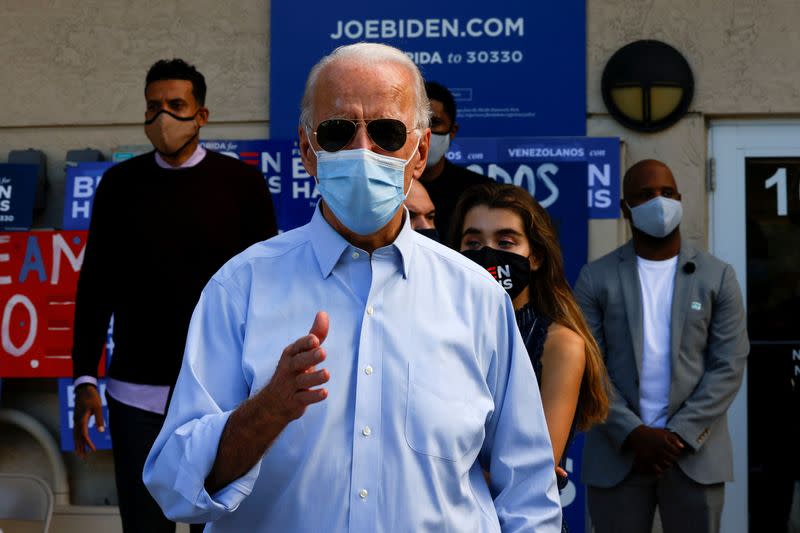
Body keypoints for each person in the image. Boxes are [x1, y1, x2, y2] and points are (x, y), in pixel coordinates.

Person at [143, 42, 562, 532]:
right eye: (338, 131)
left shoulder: (476, 296)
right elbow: (175, 485)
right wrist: (265, 412)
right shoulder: (241, 287)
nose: (363, 151)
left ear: (420, 151)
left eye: (386, 132)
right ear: (307, 150)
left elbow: (529, 492)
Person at [71, 58, 277, 533]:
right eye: (153, 106)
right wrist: (85, 376)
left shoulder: (242, 185)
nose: (162, 117)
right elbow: (96, 284)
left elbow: (266, 290)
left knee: (222, 526)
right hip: (135, 396)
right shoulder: (119, 186)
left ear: (201, 114)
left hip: (221, 397)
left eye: (176, 105)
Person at [574, 159, 749, 533]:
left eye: (667, 194)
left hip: (694, 456)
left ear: (681, 200)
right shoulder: (595, 277)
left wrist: (679, 435)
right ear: (626, 209)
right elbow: (589, 365)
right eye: (646, 195)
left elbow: (729, 364)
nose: (659, 202)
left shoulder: (717, 276)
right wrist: (633, 433)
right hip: (618, 455)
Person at [451, 182, 610, 532]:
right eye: (473, 243)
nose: (488, 254)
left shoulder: (560, 344)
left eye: (506, 242)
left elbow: (529, 475)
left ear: (535, 256)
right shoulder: (440, 331)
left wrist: (440, 470)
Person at [420, 80, 491, 239]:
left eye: (435, 123)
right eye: (418, 123)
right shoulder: (388, 188)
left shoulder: (479, 192)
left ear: (452, 131)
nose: (425, 133)